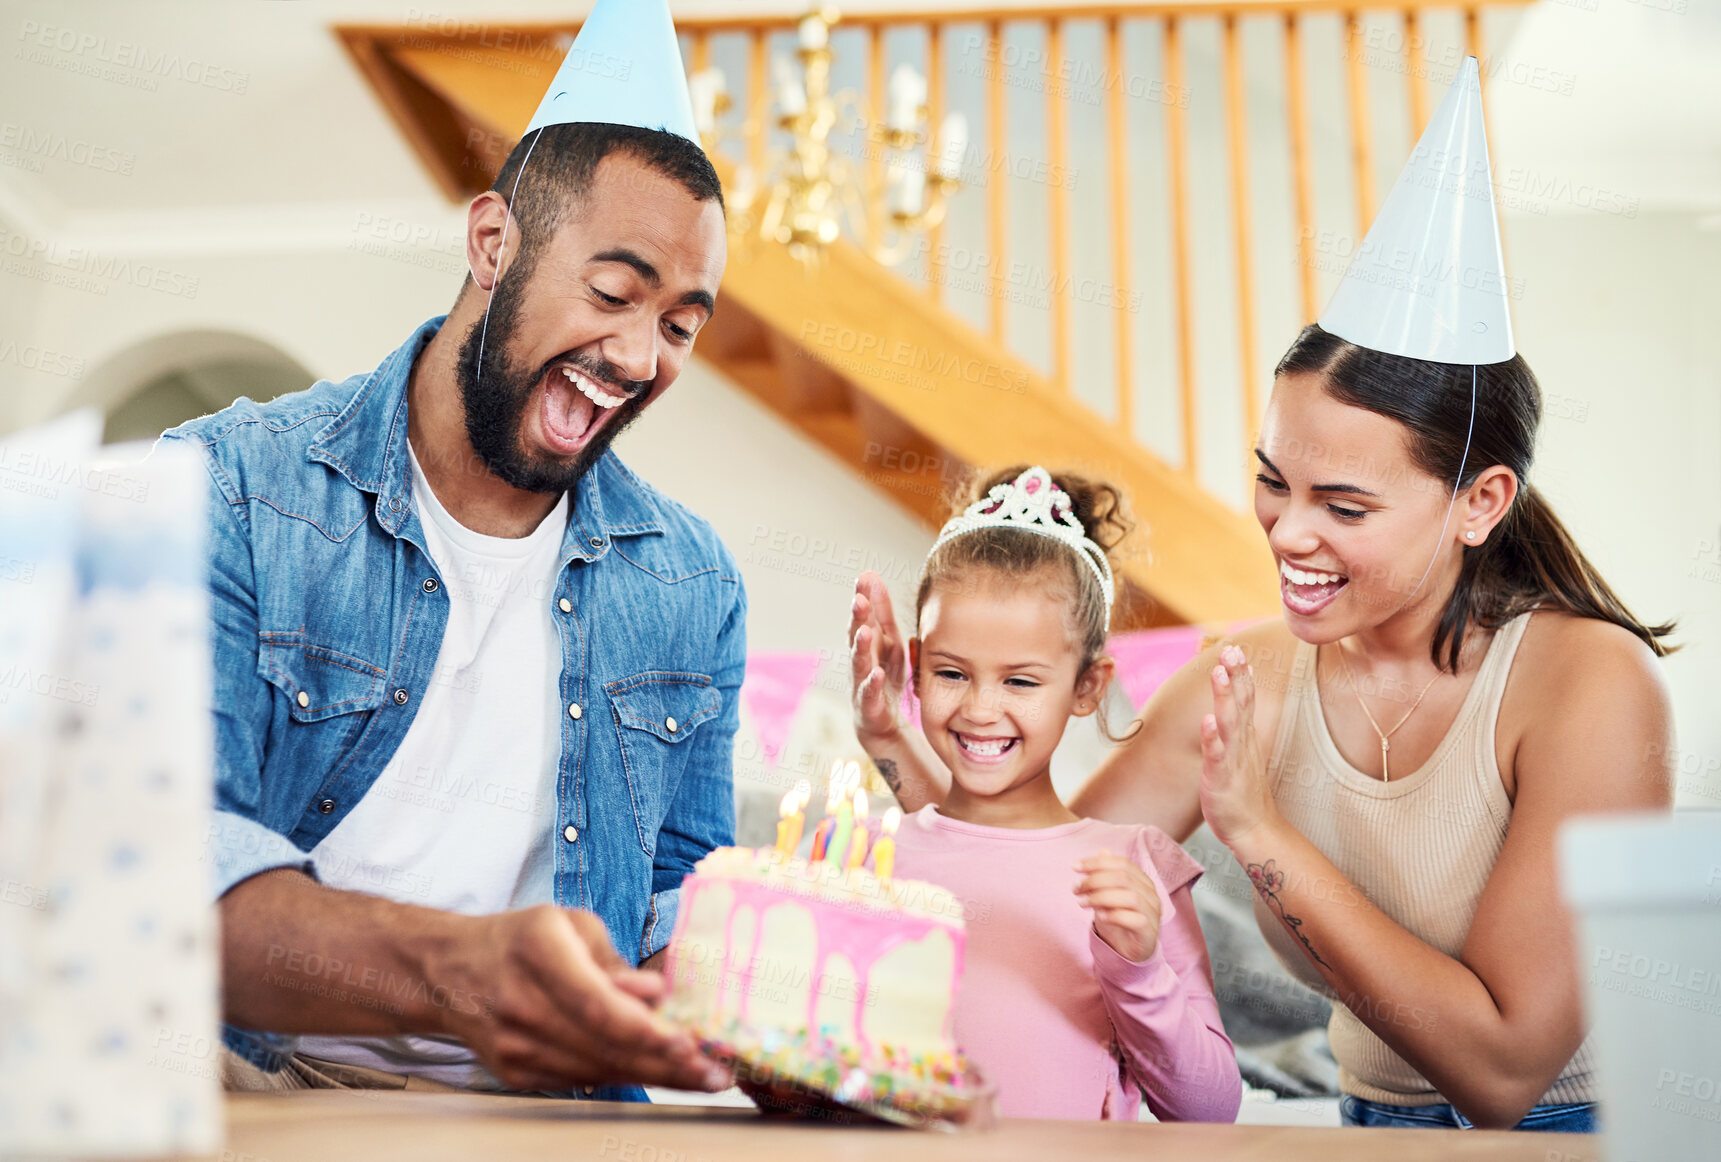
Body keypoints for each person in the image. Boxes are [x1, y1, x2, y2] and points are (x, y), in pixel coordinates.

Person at [849, 60, 1675, 1131]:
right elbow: (1035, 872)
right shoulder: (1246, 676)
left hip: (1578, 1135)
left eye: (1342, 504)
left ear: (1479, 501)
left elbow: (1504, 1071)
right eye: (1272, 482)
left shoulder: (1589, 683)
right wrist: (892, 743)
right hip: (1365, 1125)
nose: (1286, 532)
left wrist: (1255, 829)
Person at [159, 0, 739, 1098]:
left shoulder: (692, 582)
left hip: (557, 1114)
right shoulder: (232, 486)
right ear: (492, 242)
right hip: (267, 1092)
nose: (635, 354)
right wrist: (460, 973)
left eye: (678, 326)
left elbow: (674, 905)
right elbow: (161, 858)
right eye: (613, 292)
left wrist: (789, 1033)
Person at [872, 464, 1241, 1121]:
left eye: (1020, 682)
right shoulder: (860, 852)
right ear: (916, 669)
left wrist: (1139, 968)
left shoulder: (1138, 864)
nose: (981, 710)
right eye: (952, 672)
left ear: (1086, 687)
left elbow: (1206, 1110)